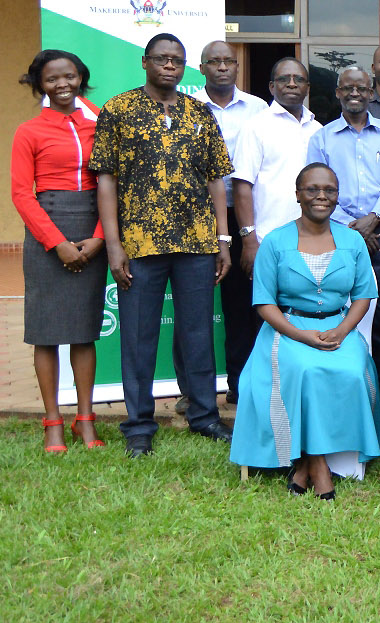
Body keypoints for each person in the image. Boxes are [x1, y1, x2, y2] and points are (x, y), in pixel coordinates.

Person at [91, 33, 234, 457]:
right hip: (140, 242)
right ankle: (138, 425)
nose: (170, 66)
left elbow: (215, 179)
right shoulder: (119, 109)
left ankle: (205, 415)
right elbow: (106, 180)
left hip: (196, 241)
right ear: (145, 62)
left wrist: (222, 239)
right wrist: (113, 245)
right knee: (138, 336)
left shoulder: (199, 112)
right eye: (161, 58)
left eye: (177, 60)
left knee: (197, 333)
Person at [229, 163, 380, 500]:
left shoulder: (352, 239)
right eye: (312, 189)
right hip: (287, 329)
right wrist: (301, 336)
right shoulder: (275, 241)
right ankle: (317, 466)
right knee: (304, 369)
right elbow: (265, 304)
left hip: (336, 328)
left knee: (354, 369)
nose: (321, 196)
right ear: (298, 195)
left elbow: (363, 296)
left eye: (329, 190)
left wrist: (342, 331)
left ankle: (304, 467)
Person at [12, 49, 106, 452]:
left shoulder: (100, 123)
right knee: (46, 335)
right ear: (40, 86)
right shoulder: (29, 131)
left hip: (92, 228)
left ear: (81, 79)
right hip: (47, 234)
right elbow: (21, 194)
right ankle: (53, 421)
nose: (62, 84)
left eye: (69, 76)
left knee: (84, 333)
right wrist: (57, 244)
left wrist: (100, 237)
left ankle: (85, 419)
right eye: (52, 79)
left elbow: (113, 186)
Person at [304, 66, 380, 413]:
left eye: (361, 88)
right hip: (337, 233)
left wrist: (373, 218)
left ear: (371, 92)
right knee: (344, 308)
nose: (354, 94)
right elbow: (316, 188)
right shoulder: (322, 137)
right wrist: (353, 226)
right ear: (337, 93)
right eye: (347, 88)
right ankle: (349, 386)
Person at [191, 41, 268, 407]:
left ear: (237, 67)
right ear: (202, 67)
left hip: (241, 216)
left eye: (228, 61)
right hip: (193, 216)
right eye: (214, 62)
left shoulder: (258, 109)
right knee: (192, 306)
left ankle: (241, 385)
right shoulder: (188, 108)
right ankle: (193, 392)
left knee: (241, 304)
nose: (222, 67)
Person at [232, 57, 323, 256]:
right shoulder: (255, 126)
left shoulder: (318, 130)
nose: (292, 83)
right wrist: (249, 241)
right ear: (272, 87)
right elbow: (242, 186)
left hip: (313, 240)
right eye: (284, 79)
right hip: (267, 240)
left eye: (298, 79)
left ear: (307, 87)